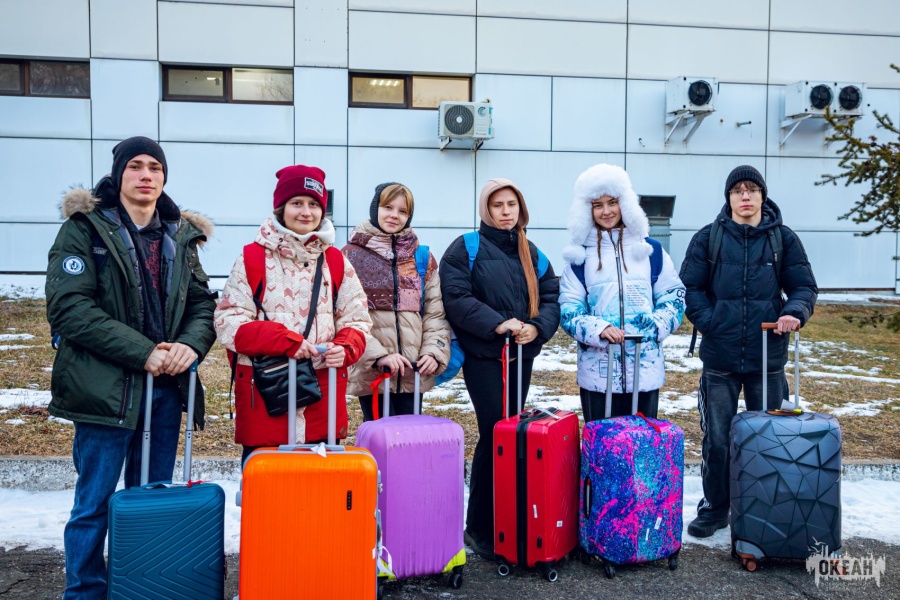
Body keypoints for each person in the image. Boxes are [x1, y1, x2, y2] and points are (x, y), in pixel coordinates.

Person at [46, 136, 218, 599]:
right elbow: (69, 308)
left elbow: (202, 304)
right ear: (119, 174)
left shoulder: (180, 234)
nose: (146, 175)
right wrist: (143, 351)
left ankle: (141, 588)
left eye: (155, 167)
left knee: (149, 502)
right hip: (105, 391)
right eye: (136, 166)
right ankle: (85, 593)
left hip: (164, 391)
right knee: (94, 505)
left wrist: (189, 347)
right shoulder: (85, 229)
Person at [679, 165, 818, 538]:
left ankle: (764, 510)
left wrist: (794, 312)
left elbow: (804, 287)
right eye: (737, 190)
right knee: (718, 440)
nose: (745, 196)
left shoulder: (782, 239)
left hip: (767, 359)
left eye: (751, 189)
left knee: (770, 438)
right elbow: (689, 289)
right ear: (728, 197)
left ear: (762, 195)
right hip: (719, 360)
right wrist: (712, 322)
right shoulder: (708, 238)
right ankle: (715, 509)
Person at [214, 165, 371, 462]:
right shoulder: (252, 257)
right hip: (266, 393)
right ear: (281, 208)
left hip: (322, 394)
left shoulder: (336, 261)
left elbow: (358, 318)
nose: (306, 212)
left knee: (318, 485)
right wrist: (284, 341)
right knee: (267, 481)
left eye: (314, 204)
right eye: (297, 203)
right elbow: (228, 323)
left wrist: (346, 347)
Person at [440, 178, 560, 560]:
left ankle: (509, 517)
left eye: (511, 204)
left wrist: (536, 328)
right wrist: (497, 323)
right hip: (485, 358)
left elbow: (552, 297)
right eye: (497, 205)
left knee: (512, 433)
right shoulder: (466, 247)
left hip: (521, 355)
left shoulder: (532, 252)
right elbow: (456, 297)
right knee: (495, 434)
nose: (505, 211)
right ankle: (479, 527)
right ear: (485, 210)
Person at [558, 163, 685, 420]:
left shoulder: (650, 251)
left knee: (640, 440)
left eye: (612, 202)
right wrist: (598, 329)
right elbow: (569, 309)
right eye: (597, 205)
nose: (606, 211)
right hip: (598, 373)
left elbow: (674, 296)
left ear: (625, 203)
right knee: (601, 440)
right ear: (587, 210)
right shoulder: (580, 257)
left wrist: (653, 326)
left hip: (644, 369)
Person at [342, 182, 451, 419]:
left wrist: (433, 352)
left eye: (402, 211)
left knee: (409, 437)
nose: (394, 215)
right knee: (380, 436)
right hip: (374, 370)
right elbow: (346, 317)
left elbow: (435, 312)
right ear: (375, 209)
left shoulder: (421, 256)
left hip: (413, 369)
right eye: (388, 207)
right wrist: (378, 356)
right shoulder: (350, 256)